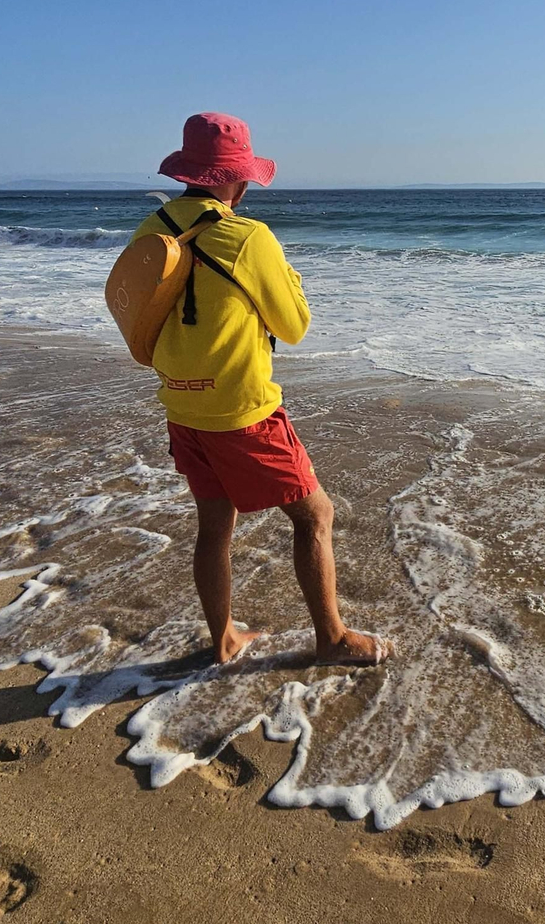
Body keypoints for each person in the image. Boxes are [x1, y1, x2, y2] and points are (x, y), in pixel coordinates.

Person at [131, 112, 387, 667]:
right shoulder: (249, 237)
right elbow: (294, 326)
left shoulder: (154, 226)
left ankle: (223, 639)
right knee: (315, 516)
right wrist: (290, 277)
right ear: (238, 179)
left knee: (214, 526)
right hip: (241, 410)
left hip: (181, 403)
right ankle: (332, 639)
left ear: (188, 172)